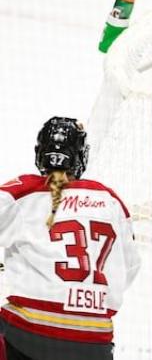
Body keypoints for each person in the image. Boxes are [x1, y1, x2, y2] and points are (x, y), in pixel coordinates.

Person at [0, 117, 141, 360]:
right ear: (81, 156)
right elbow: (129, 268)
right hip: (95, 345)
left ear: (40, 153)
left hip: (27, 337)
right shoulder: (111, 200)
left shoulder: (23, 191)